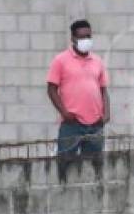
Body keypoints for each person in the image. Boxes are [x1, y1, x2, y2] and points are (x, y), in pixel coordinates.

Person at [46, 19, 111, 159]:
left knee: (94, 164)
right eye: (82, 37)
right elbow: (51, 89)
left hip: (95, 124)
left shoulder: (97, 61)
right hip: (72, 124)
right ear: (73, 39)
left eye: (88, 36)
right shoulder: (60, 60)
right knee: (65, 163)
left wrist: (106, 113)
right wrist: (64, 112)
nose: (86, 40)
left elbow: (103, 90)